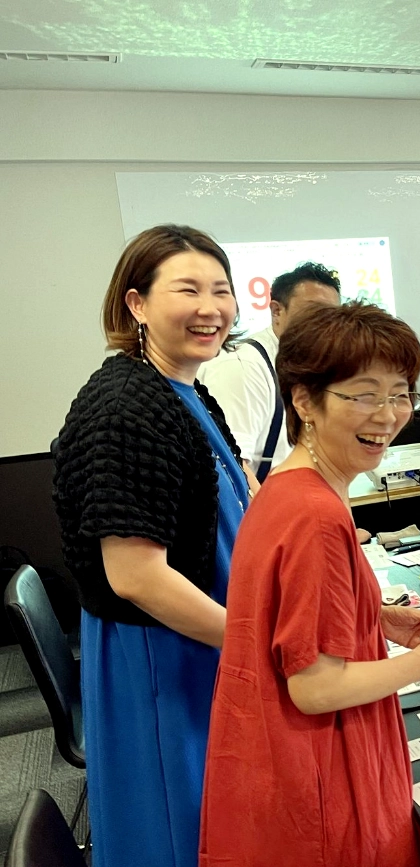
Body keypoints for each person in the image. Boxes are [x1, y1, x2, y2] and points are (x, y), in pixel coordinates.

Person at [199, 302, 420, 867]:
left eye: (401, 393)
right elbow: (316, 689)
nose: (387, 414)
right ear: (305, 400)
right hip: (315, 770)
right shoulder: (315, 513)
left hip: (273, 758)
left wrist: (374, 616)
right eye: (363, 394)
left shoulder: (287, 487)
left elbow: (279, 610)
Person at [53, 224, 249, 867]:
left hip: (204, 633)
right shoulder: (127, 406)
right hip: (162, 651)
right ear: (136, 304)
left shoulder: (182, 390)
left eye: (220, 290)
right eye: (187, 289)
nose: (210, 307)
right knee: (175, 824)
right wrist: (258, 647)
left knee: (220, 813)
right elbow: (136, 576)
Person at [199, 262, 341, 483]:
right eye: (314, 312)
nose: (324, 325)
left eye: (332, 316)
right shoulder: (243, 366)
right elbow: (230, 467)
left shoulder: (312, 367)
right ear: (277, 311)